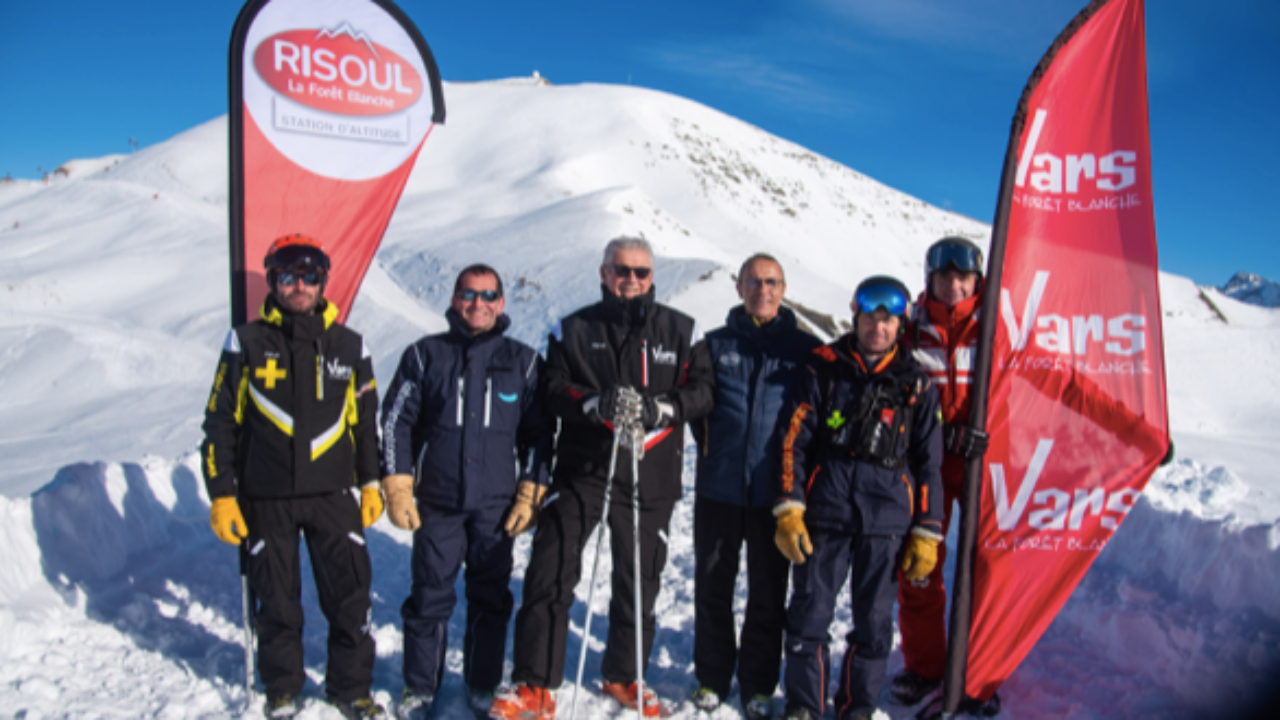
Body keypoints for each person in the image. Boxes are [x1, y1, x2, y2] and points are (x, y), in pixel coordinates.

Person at [489, 237, 714, 720]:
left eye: (641, 272)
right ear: (604, 272)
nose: (631, 279)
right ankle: (535, 683)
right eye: (621, 270)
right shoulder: (572, 328)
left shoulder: (682, 330)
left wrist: (663, 408)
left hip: (650, 472)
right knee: (551, 569)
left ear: (653, 277)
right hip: (583, 470)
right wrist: (591, 403)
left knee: (640, 579)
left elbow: (703, 391)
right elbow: (551, 389)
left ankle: (624, 675)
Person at [201, 234, 385, 719]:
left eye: (309, 276)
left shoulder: (349, 344)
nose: (298, 286)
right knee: (278, 603)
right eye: (287, 276)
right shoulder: (245, 342)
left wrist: (371, 481)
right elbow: (219, 422)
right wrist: (223, 495)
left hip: (332, 495)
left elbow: (366, 423)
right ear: (273, 281)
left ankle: (351, 689)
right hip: (266, 497)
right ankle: (283, 688)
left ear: (323, 281)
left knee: (350, 598)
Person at [379, 264, 552, 720]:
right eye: (469, 295)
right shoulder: (425, 355)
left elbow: (540, 434)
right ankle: (420, 687)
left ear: (501, 302)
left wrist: (530, 491)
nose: (478, 304)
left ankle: (481, 681)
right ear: (455, 299)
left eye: (488, 294)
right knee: (429, 595)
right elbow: (397, 421)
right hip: (438, 501)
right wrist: (398, 485)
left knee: (490, 596)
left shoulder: (524, 362)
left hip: (496, 507)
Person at [772, 275, 945, 720]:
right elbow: (793, 439)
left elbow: (929, 462)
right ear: (857, 317)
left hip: (887, 522)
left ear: (899, 327)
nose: (878, 329)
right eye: (871, 319)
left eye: (888, 322)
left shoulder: (917, 384)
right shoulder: (823, 367)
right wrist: (789, 507)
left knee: (873, 627)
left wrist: (928, 529)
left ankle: (857, 708)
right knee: (810, 617)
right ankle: (804, 706)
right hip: (826, 513)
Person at [688, 255, 821, 719]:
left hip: (775, 497)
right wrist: (714, 454)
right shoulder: (713, 344)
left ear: (783, 288)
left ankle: (759, 684)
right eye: (753, 281)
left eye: (770, 282)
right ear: (739, 287)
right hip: (718, 491)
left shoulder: (805, 349)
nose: (762, 289)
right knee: (712, 586)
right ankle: (711, 676)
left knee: (767, 594)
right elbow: (698, 410)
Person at [889, 237, 995, 714]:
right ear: (929, 279)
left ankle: (978, 671)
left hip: (981, 468)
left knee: (984, 574)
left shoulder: (994, 329)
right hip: (925, 466)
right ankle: (926, 667)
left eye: (963, 277)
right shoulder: (909, 331)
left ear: (977, 280)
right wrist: (938, 433)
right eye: (944, 277)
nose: (954, 286)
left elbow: (1053, 380)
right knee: (919, 566)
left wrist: (1135, 429)